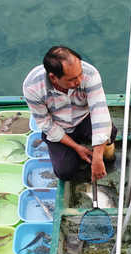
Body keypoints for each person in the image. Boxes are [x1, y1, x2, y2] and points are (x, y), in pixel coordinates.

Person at [23, 46, 117, 182]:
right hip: (59, 126)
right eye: (72, 79)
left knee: (110, 132)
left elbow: (99, 112)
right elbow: (46, 124)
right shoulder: (32, 87)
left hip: (84, 118)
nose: (79, 81)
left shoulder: (90, 74)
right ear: (53, 78)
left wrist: (97, 157)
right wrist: (76, 147)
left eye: (80, 74)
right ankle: (85, 174)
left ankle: (105, 160)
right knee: (64, 171)